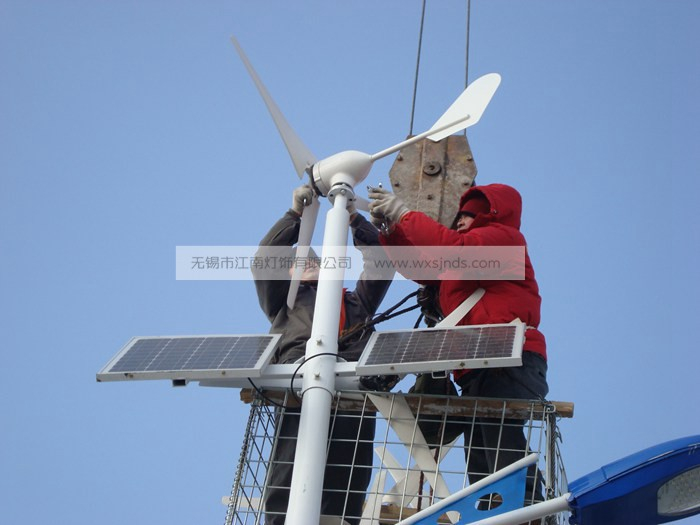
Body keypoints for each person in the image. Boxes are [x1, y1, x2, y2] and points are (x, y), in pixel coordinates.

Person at [368, 183, 549, 508]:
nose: (462, 218)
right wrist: (391, 230)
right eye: (461, 214)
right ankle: (499, 511)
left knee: (498, 440)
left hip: (511, 357)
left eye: (472, 212)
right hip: (482, 363)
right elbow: (420, 267)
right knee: (481, 451)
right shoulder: (467, 255)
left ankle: (530, 509)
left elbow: (450, 249)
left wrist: (403, 214)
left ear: (490, 214)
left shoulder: (504, 241)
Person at [253, 184, 393, 525]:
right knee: (291, 464)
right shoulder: (285, 306)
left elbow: (381, 263)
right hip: (300, 382)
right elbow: (264, 260)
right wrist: (296, 217)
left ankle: (342, 520)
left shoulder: (356, 303)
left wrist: (355, 220)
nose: (311, 264)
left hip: (352, 386)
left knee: (349, 472)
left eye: (317, 260)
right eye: (302, 263)